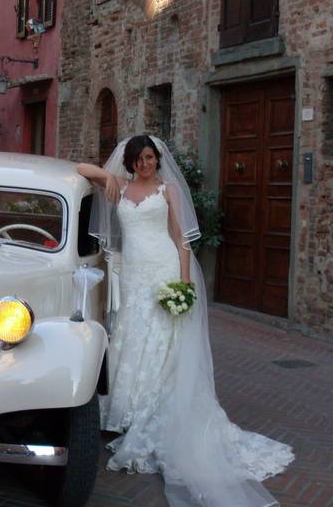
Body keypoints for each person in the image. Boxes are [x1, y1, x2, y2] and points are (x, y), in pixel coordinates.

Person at [77, 135, 293, 507]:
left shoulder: (168, 189)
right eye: (140, 158)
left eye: (151, 158)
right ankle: (124, 411)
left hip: (162, 270)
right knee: (132, 334)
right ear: (129, 162)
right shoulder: (122, 186)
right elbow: (78, 169)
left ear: (157, 160)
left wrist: (184, 284)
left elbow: (181, 241)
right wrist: (106, 176)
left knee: (163, 340)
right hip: (133, 276)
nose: (146, 164)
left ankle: (153, 412)